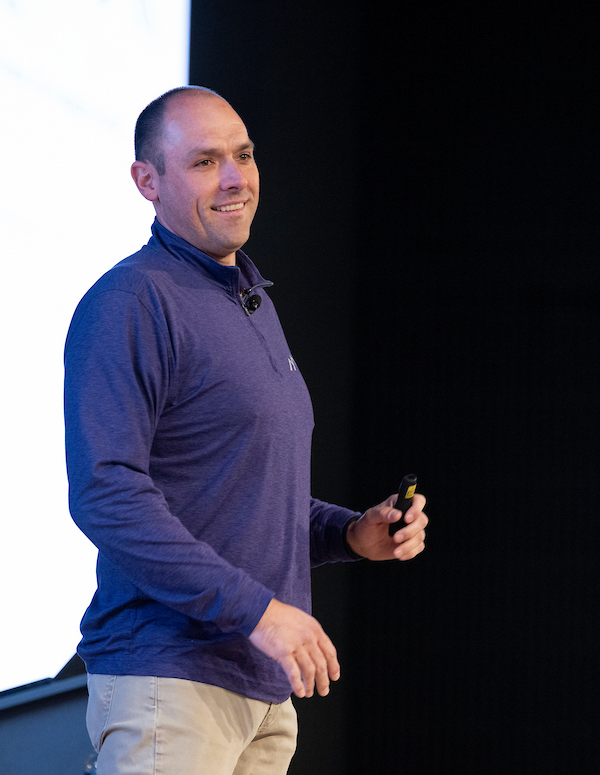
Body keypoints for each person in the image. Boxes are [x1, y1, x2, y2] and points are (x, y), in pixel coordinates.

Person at [64, 85, 428, 775]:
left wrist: (352, 533)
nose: (235, 178)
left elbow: (248, 492)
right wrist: (259, 611)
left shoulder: (250, 301)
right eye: (204, 162)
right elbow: (106, 494)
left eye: (244, 155)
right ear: (148, 181)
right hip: (170, 677)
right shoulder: (130, 302)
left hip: (263, 691)